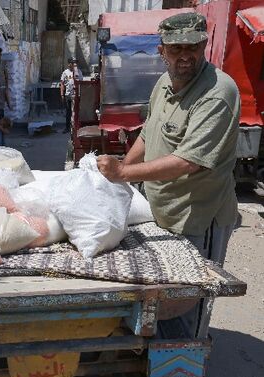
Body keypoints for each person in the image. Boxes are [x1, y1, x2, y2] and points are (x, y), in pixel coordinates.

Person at [96, 12, 239, 341]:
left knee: (192, 300)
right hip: (164, 211)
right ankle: (159, 347)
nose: (185, 56)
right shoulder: (164, 83)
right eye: (176, 49)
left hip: (200, 216)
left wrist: (123, 173)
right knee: (166, 296)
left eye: (193, 47)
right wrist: (122, 174)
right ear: (161, 51)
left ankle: (186, 363)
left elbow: (189, 161)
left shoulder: (218, 93)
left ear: (204, 45)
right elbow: (149, 135)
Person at [60, 58, 83, 133]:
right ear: (69, 64)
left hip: (77, 95)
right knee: (68, 112)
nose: (74, 65)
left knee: (77, 111)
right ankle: (67, 127)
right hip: (68, 95)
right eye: (73, 63)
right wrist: (62, 94)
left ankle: (77, 127)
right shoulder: (65, 72)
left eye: (75, 63)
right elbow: (62, 83)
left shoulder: (78, 72)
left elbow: (81, 82)